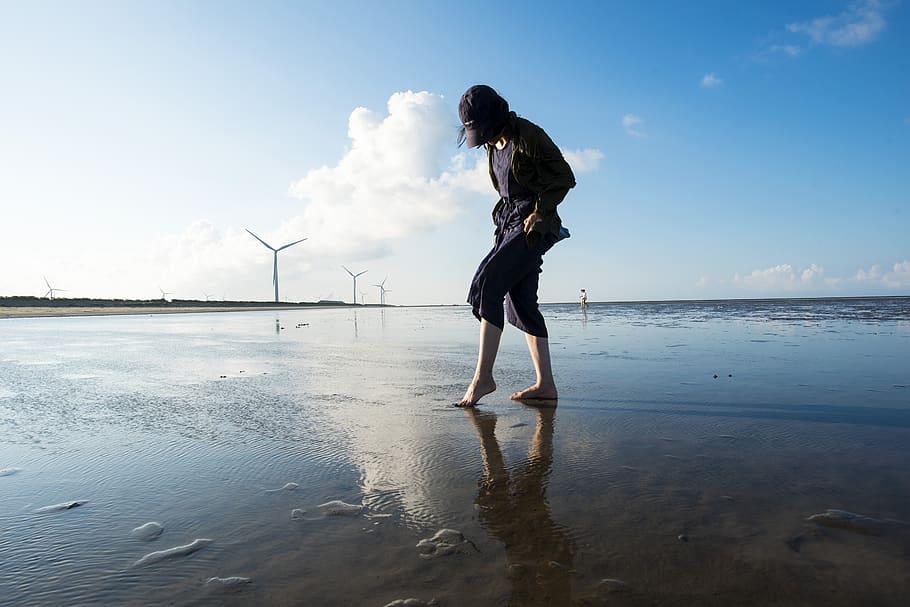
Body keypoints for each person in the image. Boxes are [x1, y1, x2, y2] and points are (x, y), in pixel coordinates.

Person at [456, 85, 576, 407]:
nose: (483, 140)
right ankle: (545, 385)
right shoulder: (492, 146)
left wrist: (540, 211)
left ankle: (483, 378)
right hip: (508, 224)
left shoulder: (529, 136)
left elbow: (565, 177)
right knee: (521, 301)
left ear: (496, 118)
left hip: (533, 225)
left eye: (484, 131)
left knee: (489, 282)